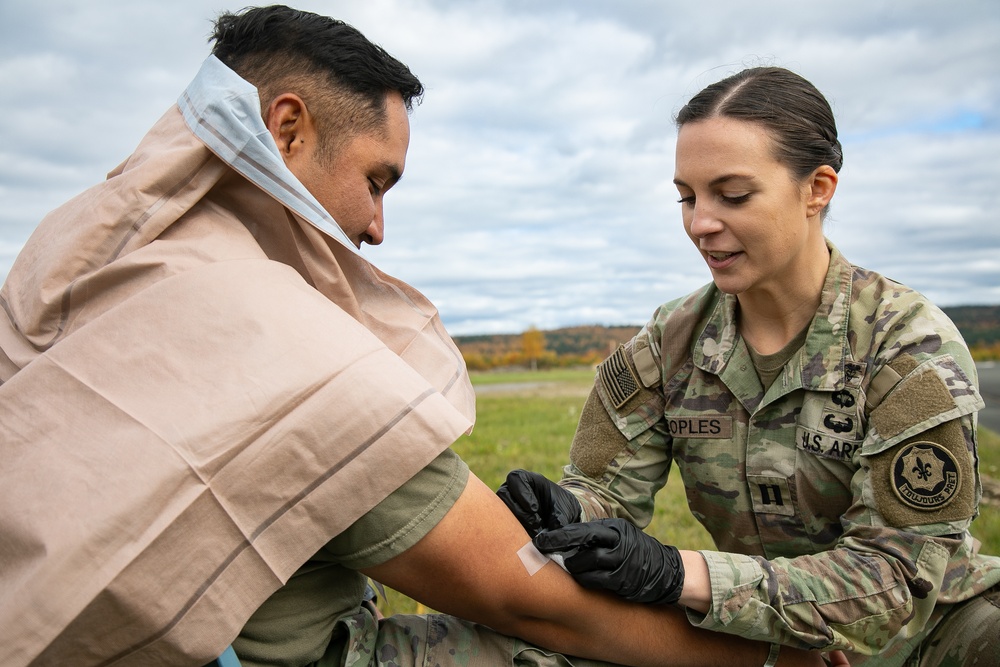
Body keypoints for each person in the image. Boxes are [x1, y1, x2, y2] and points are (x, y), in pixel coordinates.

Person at [0, 8, 840, 667]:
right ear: (287, 128)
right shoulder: (284, 353)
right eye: (375, 180)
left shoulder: (76, 260)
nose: (375, 225)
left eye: (731, 194)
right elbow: (528, 598)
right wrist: (763, 655)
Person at [499, 66, 1000, 667]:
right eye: (686, 197)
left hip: (931, 637)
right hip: (757, 638)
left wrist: (671, 573)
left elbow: (891, 583)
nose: (699, 223)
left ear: (817, 188)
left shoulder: (906, 346)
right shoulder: (670, 343)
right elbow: (606, 493)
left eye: (732, 195)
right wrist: (567, 511)